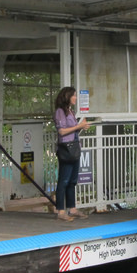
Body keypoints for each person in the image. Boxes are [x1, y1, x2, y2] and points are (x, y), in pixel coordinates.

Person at [53, 86, 89, 221]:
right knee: (64, 180)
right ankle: (61, 211)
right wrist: (79, 126)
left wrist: (81, 127)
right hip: (66, 149)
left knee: (73, 180)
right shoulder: (60, 112)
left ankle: (72, 208)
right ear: (67, 96)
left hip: (74, 147)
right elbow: (62, 131)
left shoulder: (70, 111)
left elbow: (72, 130)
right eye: (73, 95)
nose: (76, 98)